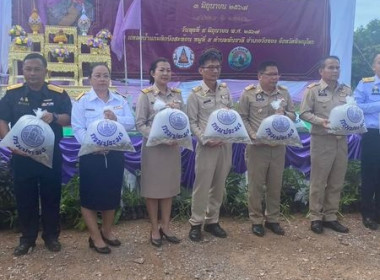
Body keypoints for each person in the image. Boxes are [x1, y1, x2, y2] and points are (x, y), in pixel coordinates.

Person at [0, 53, 72, 256]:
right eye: (28, 69)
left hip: (50, 155)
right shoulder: (13, 94)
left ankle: (51, 236)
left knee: (51, 196)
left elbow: (69, 119)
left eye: (36, 69)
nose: (32, 73)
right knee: (25, 198)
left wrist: (55, 116)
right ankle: (27, 238)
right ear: (22, 71)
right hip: (22, 156)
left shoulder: (57, 94)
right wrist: (9, 143)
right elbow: (2, 120)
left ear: (45, 71)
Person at [71, 63, 135, 254]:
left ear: (110, 79)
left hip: (114, 154)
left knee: (111, 194)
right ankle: (95, 237)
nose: (102, 79)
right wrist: (92, 145)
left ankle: (107, 231)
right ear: (90, 79)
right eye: (97, 75)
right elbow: (77, 128)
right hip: (92, 156)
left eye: (105, 75)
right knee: (89, 197)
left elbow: (131, 123)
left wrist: (117, 119)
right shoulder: (82, 101)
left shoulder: (120, 100)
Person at [238, 61, 296, 237]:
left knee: (275, 185)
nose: (274, 78)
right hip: (257, 147)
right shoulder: (249, 94)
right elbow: (242, 117)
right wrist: (252, 135)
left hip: (278, 147)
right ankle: (256, 220)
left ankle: (272, 220)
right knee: (255, 186)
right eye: (270, 74)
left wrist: (284, 114)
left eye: (276, 74)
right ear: (260, 76)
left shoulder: (284, 93)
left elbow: (294, 115)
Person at [300, 56, 351, 234]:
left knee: (336, 181)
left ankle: (330, 216)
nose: (335, 71)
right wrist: (320, 121)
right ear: (321, 71)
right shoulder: (313, 90)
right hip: (322, 140)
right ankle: (315, 216)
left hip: (341, 141)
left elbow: (351, 112)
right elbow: (304, 113)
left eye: (337, 67)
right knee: (319, 181)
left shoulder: (346, 90)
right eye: (331, 67)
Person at [135, 58, 183, 247]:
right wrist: (158, 137)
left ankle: (166, 226)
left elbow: (182, 119)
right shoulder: (145, 96)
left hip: (172, 148)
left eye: (168, 70)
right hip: (154, 149)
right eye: (161, 70)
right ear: (152, 73)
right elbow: (140, 124)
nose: (165, 73)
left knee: (168, 189)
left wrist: (178, 136)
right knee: (153, 190)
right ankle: (154, 228)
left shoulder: (177, 95)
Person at [187, 49, 233, 242]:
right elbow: (191, 122)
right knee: (202, 186)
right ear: (201, 70)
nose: (215, 71)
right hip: (207, 146)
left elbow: (230, 115)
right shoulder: (195, 95)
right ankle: (196, 223)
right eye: (210, 67)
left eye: (217, 67)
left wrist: (230, 134)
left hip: (225, 145)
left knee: (219, 184)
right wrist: (205, 139)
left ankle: (212, 221)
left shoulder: (225, 90)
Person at [354, 53, 380, 230]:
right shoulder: (366, 83)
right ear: (373, 66)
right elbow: (356, 107)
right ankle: (367, 214)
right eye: (379, 62)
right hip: (372, 134)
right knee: (369, 175)